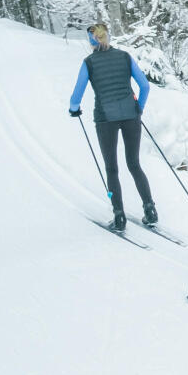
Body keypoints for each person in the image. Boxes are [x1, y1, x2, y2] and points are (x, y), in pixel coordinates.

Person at [68, 23, 157, 231]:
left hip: (105, 119)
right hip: (131, 116)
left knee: (112, 168)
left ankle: (119, 216)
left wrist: (74, 109)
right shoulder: (125, 57)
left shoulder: (88, 63)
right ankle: (150, 209)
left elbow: (76, 95)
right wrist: (139, 108)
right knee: (134, 164)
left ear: (91, 40)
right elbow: (144, 85)